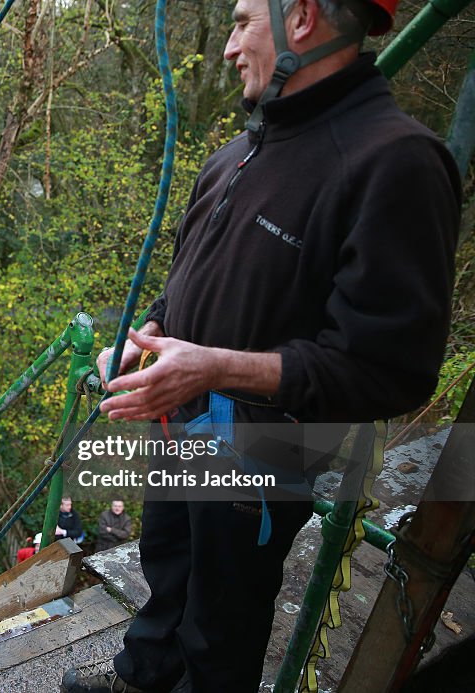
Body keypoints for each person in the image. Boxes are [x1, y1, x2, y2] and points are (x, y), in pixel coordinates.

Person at [61, 1, 460, 691]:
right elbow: (198, 275)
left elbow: (391, 368)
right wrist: (148, 335)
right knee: (168, 565)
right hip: (188, 418)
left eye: (243, 21)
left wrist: (215, 367)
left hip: (269, 445)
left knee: (223, 621)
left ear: (300, 17)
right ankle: (142, 677)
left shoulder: (393, 162)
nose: (228, 47)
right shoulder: (239, 155)